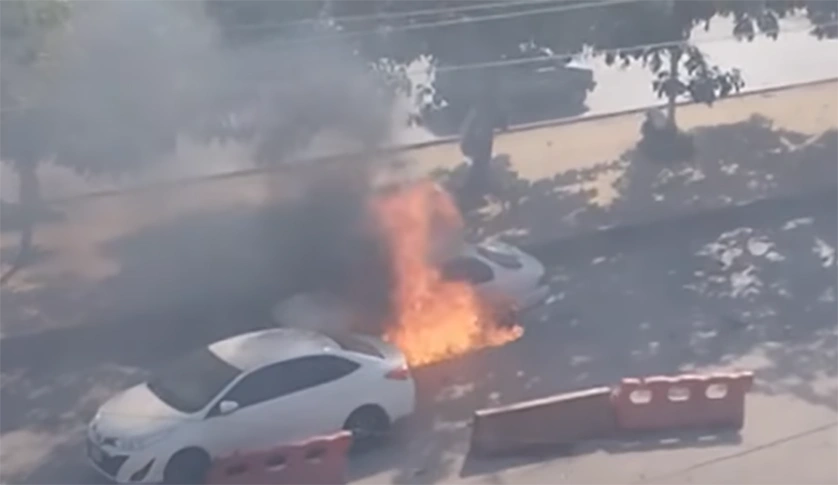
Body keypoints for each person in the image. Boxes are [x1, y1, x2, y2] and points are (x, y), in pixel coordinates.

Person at [459, 75, 508, 207]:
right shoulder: (485, 108)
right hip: (476, 141)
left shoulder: (481, 107)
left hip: (476, 140)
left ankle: (477, 190)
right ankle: (474, 192)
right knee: (480, 165)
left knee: (481, 166)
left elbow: (500, 122)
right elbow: (499, 123)